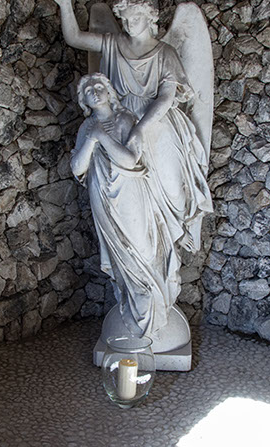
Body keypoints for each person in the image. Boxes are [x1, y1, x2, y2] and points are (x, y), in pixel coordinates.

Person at [55, 0, 213, 255]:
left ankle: (178, 230)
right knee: (127, 193)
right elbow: (74, 38)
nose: (129, 25)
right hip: (120, 122)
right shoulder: (113, 44)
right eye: (125, 20)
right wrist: (65, 6)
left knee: (172, 185)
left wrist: (141, 128)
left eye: (135, 19)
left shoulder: (165, 53)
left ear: (150, 18)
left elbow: (166, 97)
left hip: (157, 121)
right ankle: (143, 253)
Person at [71, 72, 181, 337]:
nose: (94, 91)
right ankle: (133, 309)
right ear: (84, 101)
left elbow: (131, 159)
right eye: (88, 90)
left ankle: (153, 309)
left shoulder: (124, 119)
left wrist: (102, 136)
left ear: (109, 91)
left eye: (99, 86)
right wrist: (92, 138)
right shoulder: (86, 128)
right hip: (101, 194)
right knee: (119, 252)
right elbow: (77, 167)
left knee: (141, 248)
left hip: (130, 190)